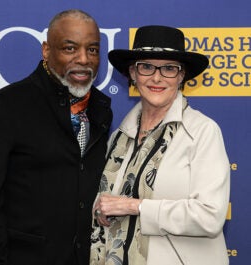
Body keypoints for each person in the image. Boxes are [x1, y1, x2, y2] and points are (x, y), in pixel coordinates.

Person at [0, 9, 112, 265]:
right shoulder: (4, 108)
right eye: (70, 48)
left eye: (93, 50)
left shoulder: (100, 108)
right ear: (46, 50)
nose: (84, 59)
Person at [90, 25, 230, 265]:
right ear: (132, 73)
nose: (157, 77)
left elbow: (210, 216)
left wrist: (136, 206)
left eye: (169, 68)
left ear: (181, 75)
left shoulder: (202, 131)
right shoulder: (118, 138)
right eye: (146, 67)